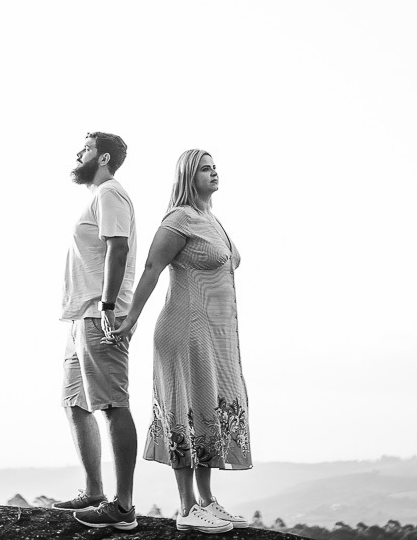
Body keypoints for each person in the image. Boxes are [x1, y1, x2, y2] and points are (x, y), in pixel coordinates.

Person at [107, 149, 251, 534]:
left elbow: (231, 261)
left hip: (211, 337)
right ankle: (187, 508)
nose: (214, 171)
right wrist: (130, 319)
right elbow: (152, 268)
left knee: (207, 414)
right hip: (183, 331)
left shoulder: (210, 219)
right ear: (189, 176)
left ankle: (206, 501)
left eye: (215, 166)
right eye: (206, 168)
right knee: (186, 415)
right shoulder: (179, 219)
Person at [53, 131, 140, 532]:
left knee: (111, 404)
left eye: (85, 148)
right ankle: (93, 492)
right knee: (75, 402)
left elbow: (117, 247)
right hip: (81, 316)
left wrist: (108, 306)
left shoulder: (110, 194)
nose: (78, 153)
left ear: (102, 157)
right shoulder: (97, 196)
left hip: (98, 314)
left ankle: (123, 507)